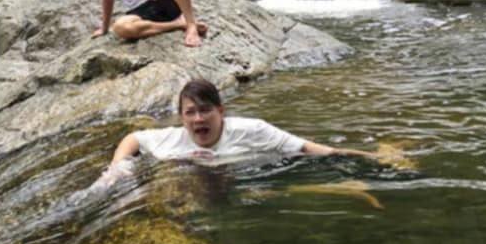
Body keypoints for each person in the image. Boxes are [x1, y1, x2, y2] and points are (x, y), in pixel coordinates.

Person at [98, 78, 382, 185]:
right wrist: (117, 168)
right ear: (182, 118)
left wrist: (369, 157)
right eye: (190, 113)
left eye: (205, 110)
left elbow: (309, 148)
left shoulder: (253, 130)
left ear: (221, 111)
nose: (198, 119)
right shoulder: (174, 137)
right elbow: (133, 138)